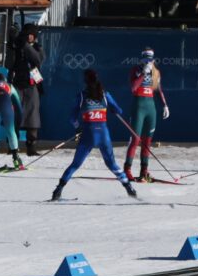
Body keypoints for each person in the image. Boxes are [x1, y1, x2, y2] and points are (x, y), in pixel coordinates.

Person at [52, 70, 137, 201]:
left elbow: (72, 118)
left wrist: (77, 128)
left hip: (88, 134)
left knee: (75, 164)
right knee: (112, 164)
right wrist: (113, 109)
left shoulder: (81, 95)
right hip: (103, 134)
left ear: (85, 81)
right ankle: (129, 188)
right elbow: (119, 110)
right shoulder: (105, 94)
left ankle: (58, 191)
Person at [123, 47, 170, 182]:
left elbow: (159, 89)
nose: (149, 62)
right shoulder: (136, 70)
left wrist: (165, 105)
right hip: (139, 106)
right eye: (147, 59)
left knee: (147, 141)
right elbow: (133, 88)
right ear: (142, 58)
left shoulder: (156, 72)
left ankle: (144, 170)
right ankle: (127, 170)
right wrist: (143, 74)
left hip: (151, 108)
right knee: (135, 139)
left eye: (151, 60)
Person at [8, 23, 44, 156]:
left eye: (31, 35)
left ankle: (31, 147)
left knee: (32, 116)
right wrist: (14, 40)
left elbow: (37, 59)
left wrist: (24, 45)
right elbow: (9, 59)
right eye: (26, 35)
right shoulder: (17, 46)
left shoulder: (37, 48)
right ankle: (12, 146)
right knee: (14, 115)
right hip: (16, 84)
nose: (29, 37)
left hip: (31, 84)